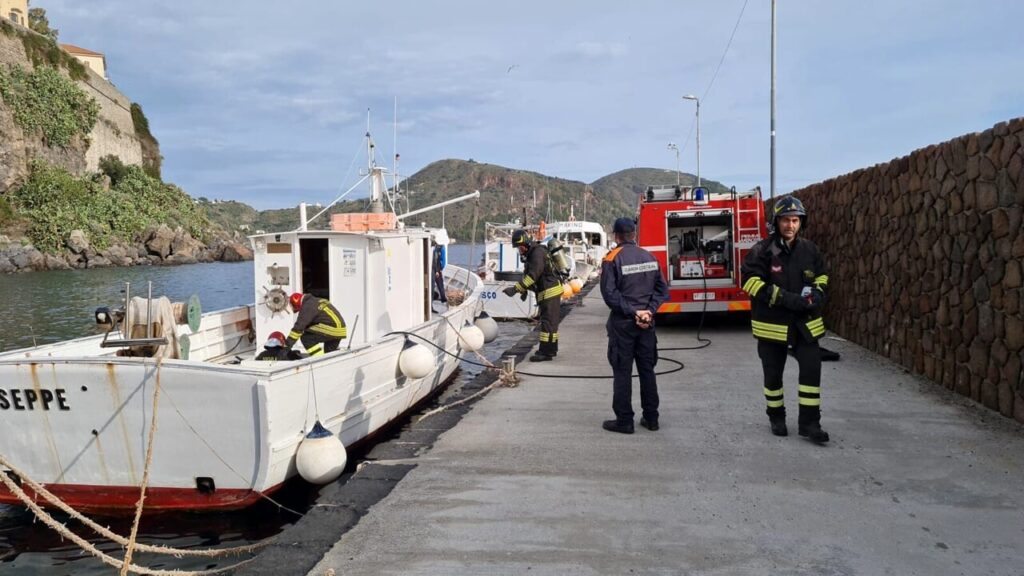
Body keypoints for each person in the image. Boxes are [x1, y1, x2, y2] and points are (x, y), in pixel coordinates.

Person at [740, 196, 831, 443]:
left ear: (801, 222)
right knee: (773, 377)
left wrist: (818, 293)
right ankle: (776, 417)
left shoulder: (810, 250)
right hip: (773, 325)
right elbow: (750, 281)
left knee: (812, 373)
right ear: (776, 222)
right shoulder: (762, 250)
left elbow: (822, 276)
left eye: (795, 220)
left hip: (806, 325)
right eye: (785, 220)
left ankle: (810, 424)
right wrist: (785, 298)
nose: (790, 225)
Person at [599, 217, 669, 434]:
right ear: (634, 235)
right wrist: (648, 311)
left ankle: (624, 420)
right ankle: (651, 418)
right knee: (647, 370)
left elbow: (609, 294)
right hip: (647, 324)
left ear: (616, 236)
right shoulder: (649, 256)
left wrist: (633, 311)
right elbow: (662, 290)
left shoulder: (612, 258)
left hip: (623, 325)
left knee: (623, 372)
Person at [502, 229, 564, 361]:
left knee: (547, 324)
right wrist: (525, 290)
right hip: (548, 292)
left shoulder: (537, 254)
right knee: (551, 324)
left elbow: (533, 276)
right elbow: (534, 277)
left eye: (520, 247)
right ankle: (551, 350)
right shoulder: (534, 253)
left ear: (526, 244)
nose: (520, 250)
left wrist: (516, 289)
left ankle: (545, 352)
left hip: (549, 292)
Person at [285, 292, 347, 356]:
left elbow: (298, 328)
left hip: (332, 328)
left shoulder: (308, 306)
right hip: (341, 330)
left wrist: (286, 347)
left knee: (306, 338)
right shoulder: (316, 300)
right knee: (329, 354)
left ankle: (319, 358)